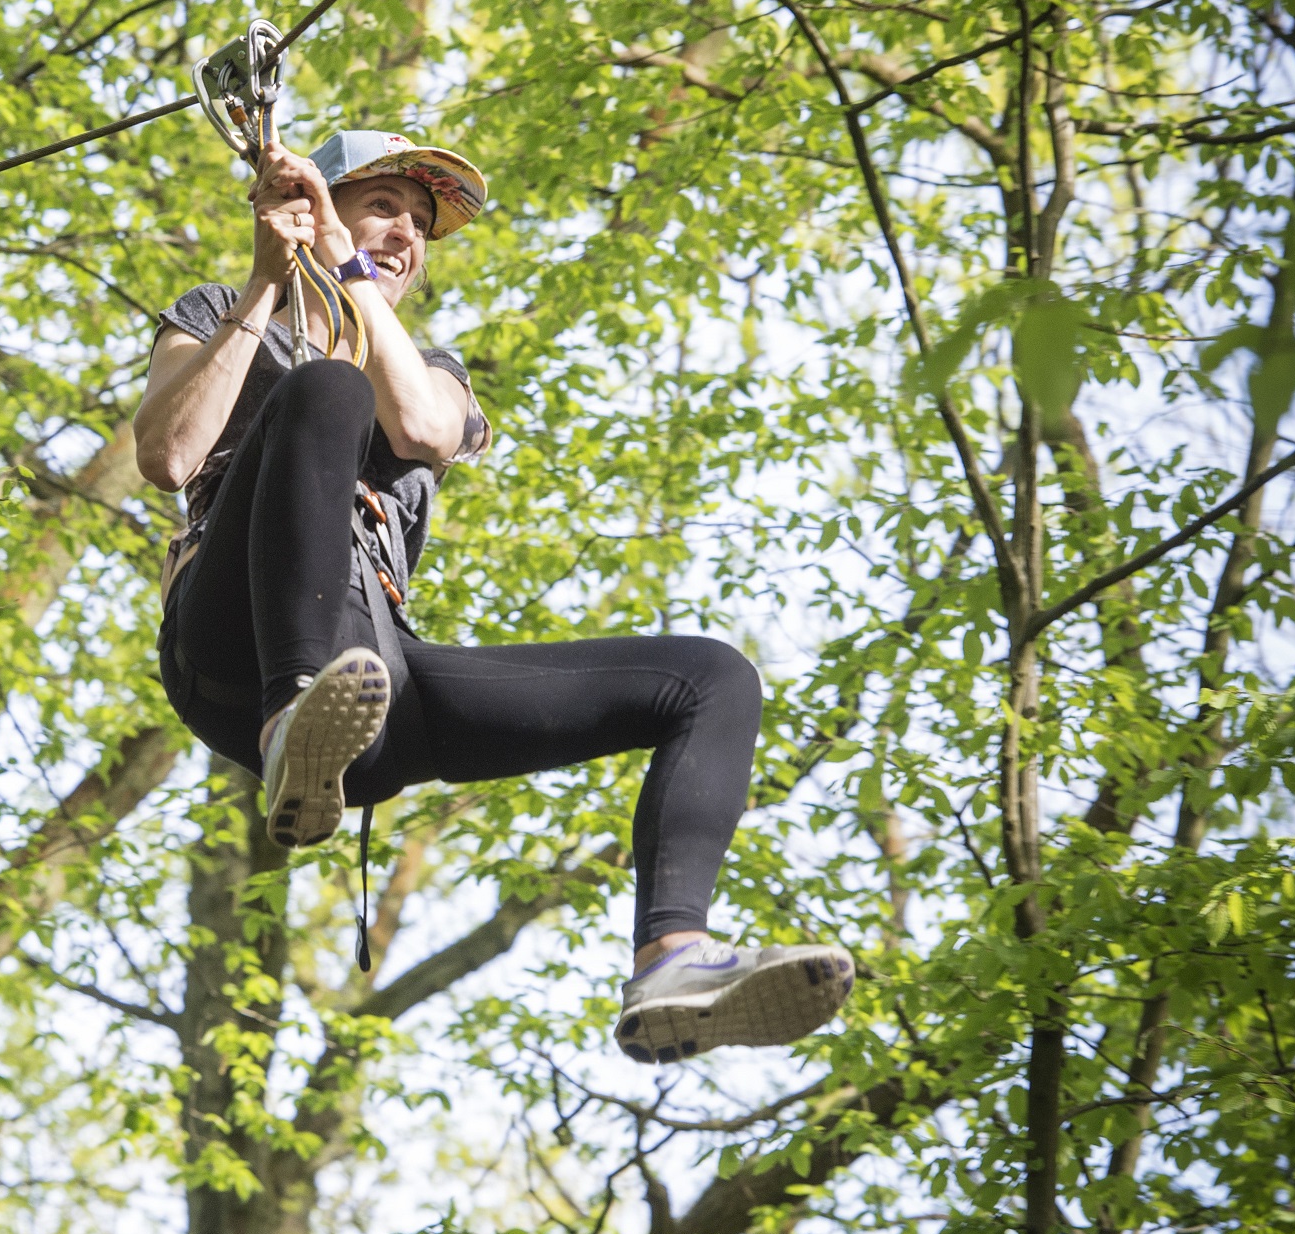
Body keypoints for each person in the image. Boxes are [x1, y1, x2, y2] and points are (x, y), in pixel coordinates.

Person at [134, 129, 854, 1062]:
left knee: (710, 680)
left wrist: (344, 269)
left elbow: (428, 428)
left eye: (420, 223)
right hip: (235, 646)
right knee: (322, 390)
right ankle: (290, 725)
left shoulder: (437, 369)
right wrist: (270, 279)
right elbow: (167, 456)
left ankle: (672, 956)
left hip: (373, 687)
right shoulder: (221, 311)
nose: (405, 234)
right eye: (382, 206)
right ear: (320, 212)